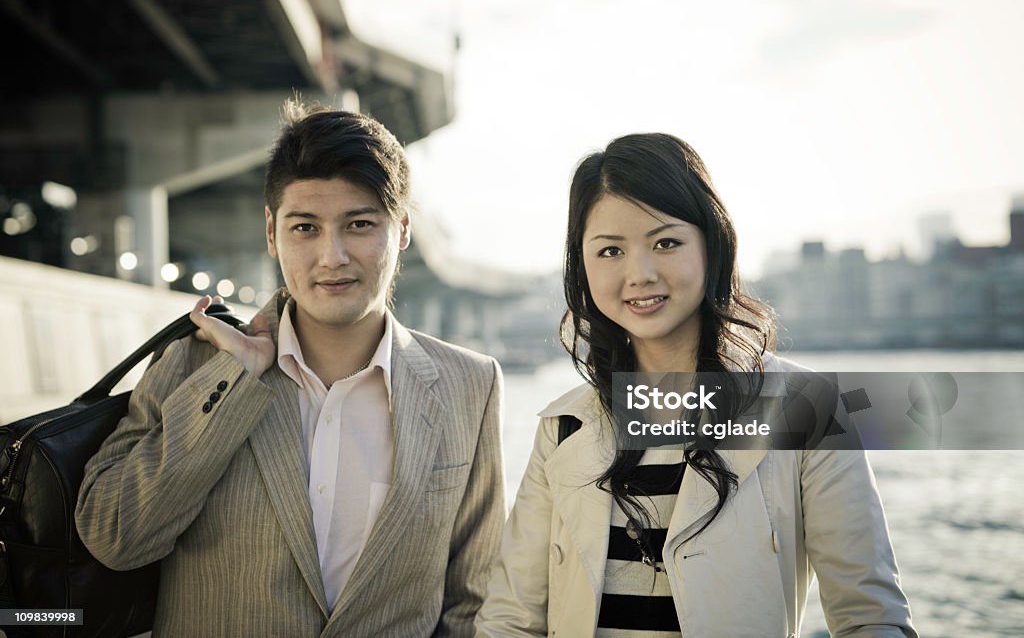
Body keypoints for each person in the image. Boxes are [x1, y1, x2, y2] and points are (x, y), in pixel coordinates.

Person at [76, 102, 505, 637]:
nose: (332, 256)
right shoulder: (194, 362)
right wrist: (235, 383)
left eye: (360, 224)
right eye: (305, 227)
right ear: (272, 233)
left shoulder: (472, 384)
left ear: (402, 230)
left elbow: (473, 599)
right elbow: (116, 536)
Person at [475, 133, 916, 637]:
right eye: (610, 250)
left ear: (713, 243)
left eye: (665, 243)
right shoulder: (563, 425)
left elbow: (870, 618)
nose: (638, 274)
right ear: (582, 265)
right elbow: (509, 619)